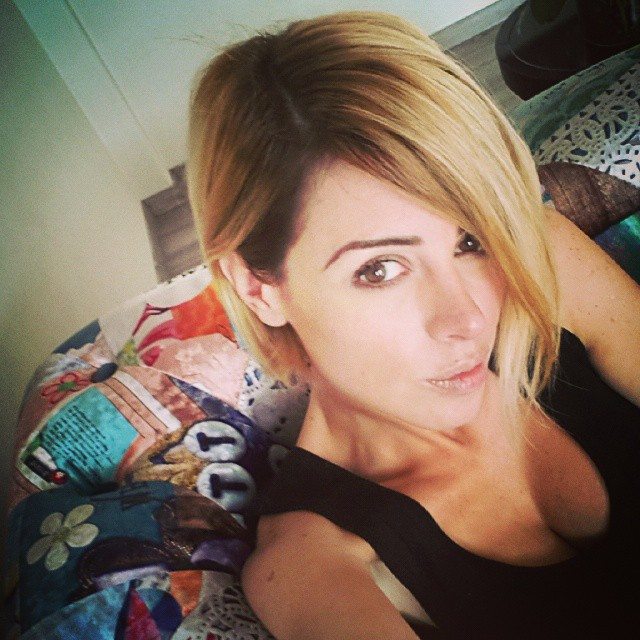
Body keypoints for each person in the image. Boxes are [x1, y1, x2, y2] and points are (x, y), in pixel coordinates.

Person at [186, 11, 640, 639]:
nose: (469, 319)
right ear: (257, 287)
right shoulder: (316, 568)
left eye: (471, 240)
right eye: (380, 269)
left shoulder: (546, 265)